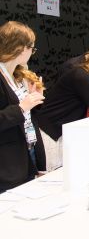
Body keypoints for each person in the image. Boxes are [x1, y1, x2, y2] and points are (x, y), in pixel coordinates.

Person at [0, 21, 46, 192]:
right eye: (32, 48)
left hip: (26, 152)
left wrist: (34, 100)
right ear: (20, 48)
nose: (32, 53)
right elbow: (14, 112)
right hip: (7, 164)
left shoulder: (17, 74)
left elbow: (27, 116)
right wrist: (21, 107)